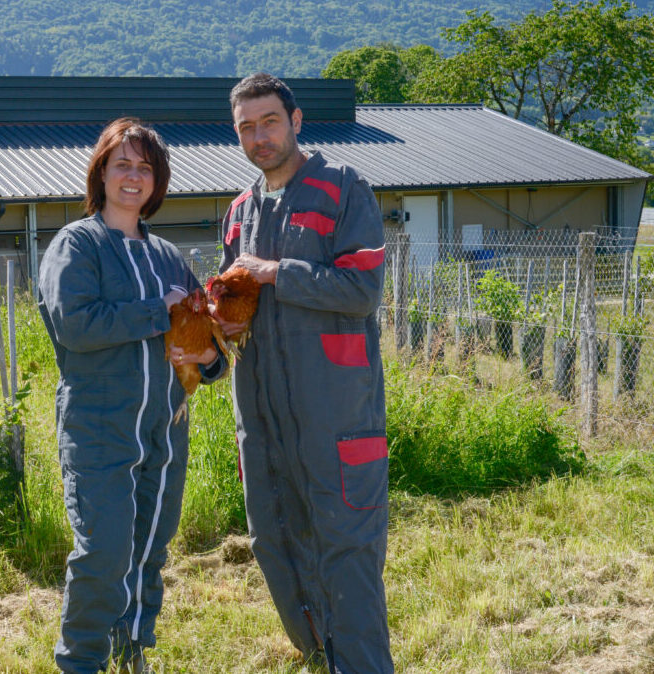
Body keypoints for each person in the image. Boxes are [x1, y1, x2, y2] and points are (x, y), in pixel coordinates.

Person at [212, 73, 392, 673]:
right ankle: (319, 654)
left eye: (269, 122)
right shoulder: (238, 212)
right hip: (262, 419)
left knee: (346, 550)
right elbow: (237, 308)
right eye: (246, 128)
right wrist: (220, 322)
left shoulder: (343, 189)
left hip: (334, 417)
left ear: (295, 120)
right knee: (274, 542)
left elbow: (362, 290)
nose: (259, 137)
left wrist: (275, 272)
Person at [38, 117, 224, 674]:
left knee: (148, 549)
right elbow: (75, 325)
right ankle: (81, 662)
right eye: (122, 164)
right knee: (104, 552)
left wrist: (210, 358)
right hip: (100, 425)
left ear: (157, 180)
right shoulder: (78, 245)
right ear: (101, 172)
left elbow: (205, 332)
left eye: (145, 167)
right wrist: (156, 312)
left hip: (165, 428)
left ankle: (131, 649)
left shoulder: (168, 256)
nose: (133, 176)